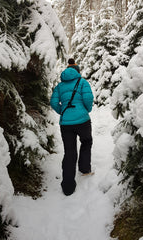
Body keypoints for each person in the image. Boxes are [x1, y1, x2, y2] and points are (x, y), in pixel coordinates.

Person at [50, 62, 94, 196]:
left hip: (66, 123)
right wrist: (86, 110)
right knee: (86, 142)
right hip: (83, 121)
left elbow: (53, 102)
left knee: (69, 152)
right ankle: (85, 168)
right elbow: (88, 98)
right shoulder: (82, 82)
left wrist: (63, 111)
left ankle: (68, 187)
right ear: (77, 71)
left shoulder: (59, 86)